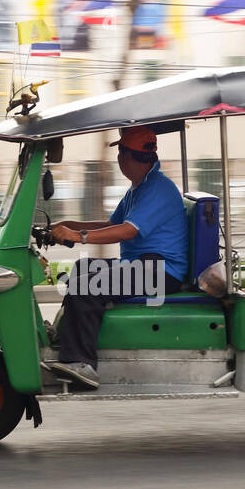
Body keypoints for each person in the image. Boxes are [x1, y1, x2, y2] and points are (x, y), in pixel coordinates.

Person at [47, 126, 189, 389]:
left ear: (132, 157)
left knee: (86, 286)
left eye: (122, 152)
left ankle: (82, 364)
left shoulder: (158, 189)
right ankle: (68, 337)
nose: (119, 159)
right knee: (82, 269)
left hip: (161, 271)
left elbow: (127, 230)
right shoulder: (139, 188)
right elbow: (111, 224)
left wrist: (79, 237)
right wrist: (69, 225)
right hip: (144, 264)